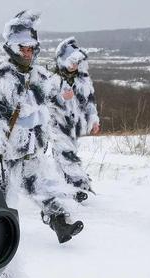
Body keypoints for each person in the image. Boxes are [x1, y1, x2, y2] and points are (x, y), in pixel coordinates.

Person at [0, 10, 84, 244]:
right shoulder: (0, 78)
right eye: (22, 49)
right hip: (6, 153)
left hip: (32, 148)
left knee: (41, 185)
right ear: (12, 48)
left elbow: (50, 104)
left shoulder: (41, 76)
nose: (27, 54)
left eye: (30, 49)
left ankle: (60, 223)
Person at [47, 37, 100, 202]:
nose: (73, 66)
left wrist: (93, 120)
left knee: (66, 155)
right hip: (56, 125)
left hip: (74, 126)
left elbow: (90, 102)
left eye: (76, 62)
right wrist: (61, 98)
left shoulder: (82, 80)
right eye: (71, 62)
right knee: (66, 155)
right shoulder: (51, 79)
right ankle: (78, 185)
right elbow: (43, 103)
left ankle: (67, 186)